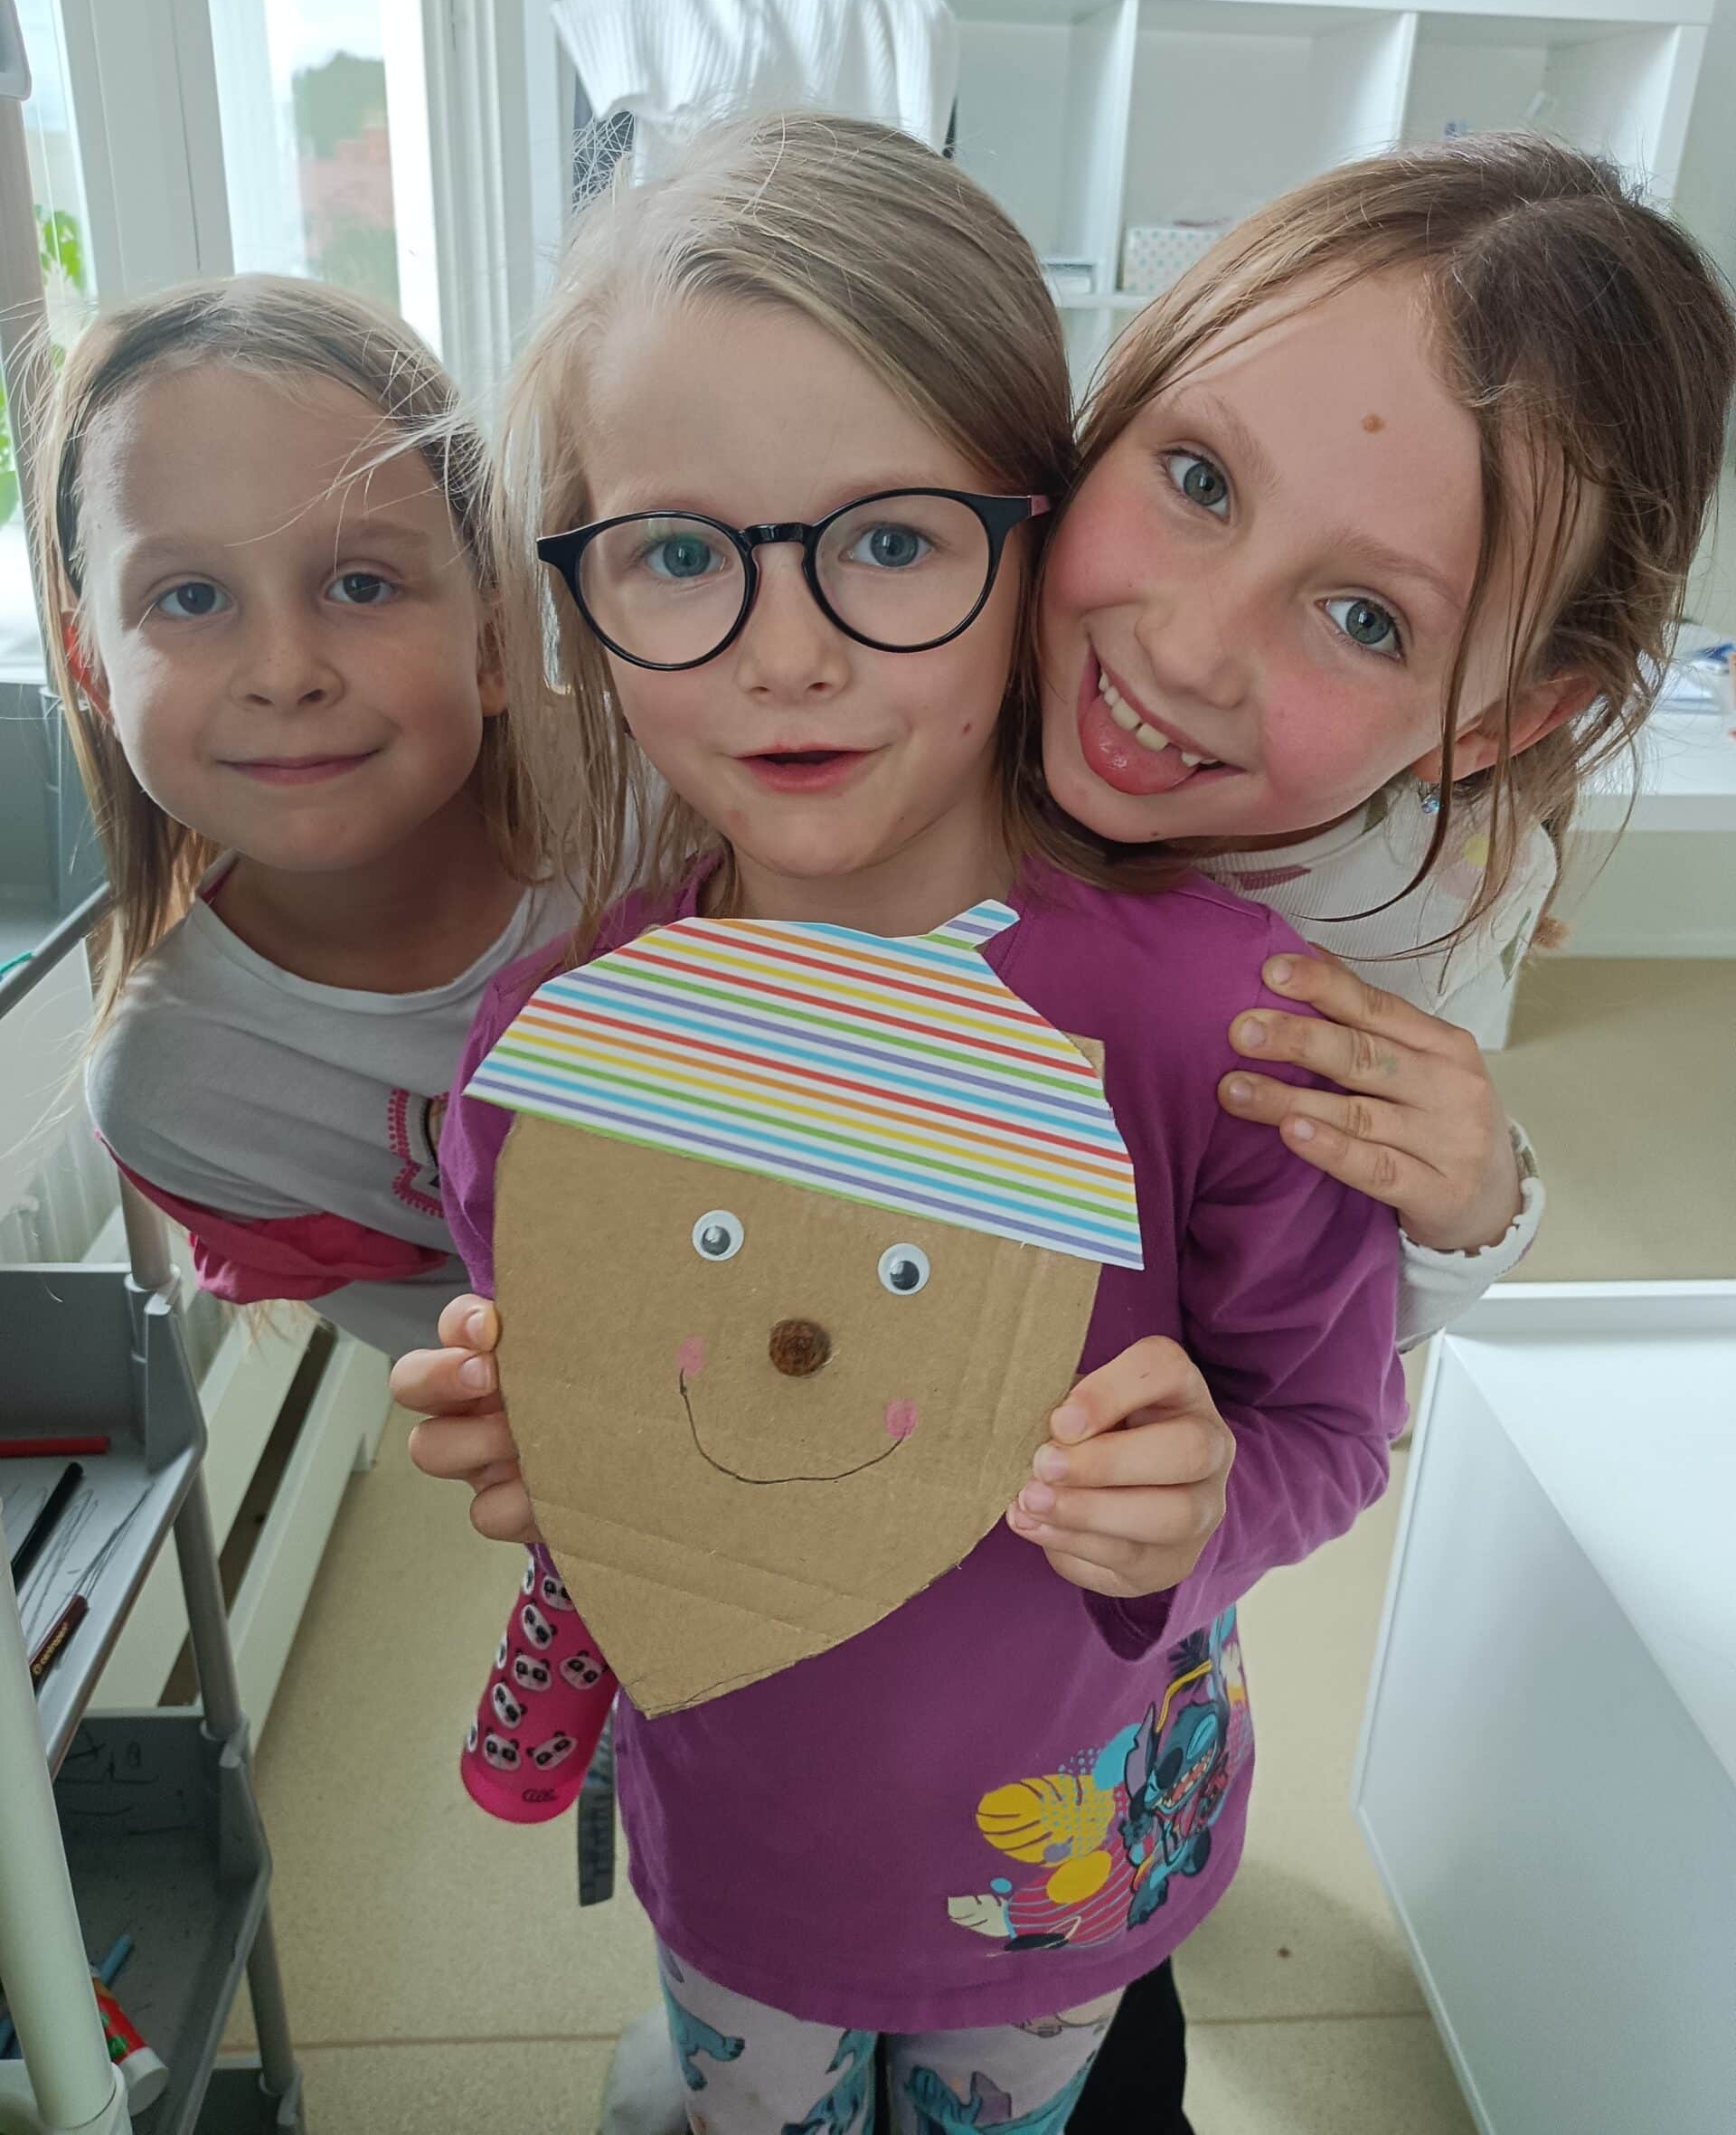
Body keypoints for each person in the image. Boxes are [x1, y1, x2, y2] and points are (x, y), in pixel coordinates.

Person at [398, 129, 1736, 2133]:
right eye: (677, 554)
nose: (787, 649)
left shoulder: (1267, 1022)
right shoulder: (561, 1050)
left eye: (892, 543)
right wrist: (546, 1441)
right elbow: (598, 1414)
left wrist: (1209, 1498)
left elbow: (1326, 1417)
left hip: (1073, 1860)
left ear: (1009, 518)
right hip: (740, 1842)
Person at [39, 276, 580, 1358]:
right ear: (92, 672)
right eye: (190, 598)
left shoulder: (681, 806)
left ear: (489, 637)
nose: (286, 673)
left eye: (362, 585)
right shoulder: (178, 1089)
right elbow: (500, 1377)